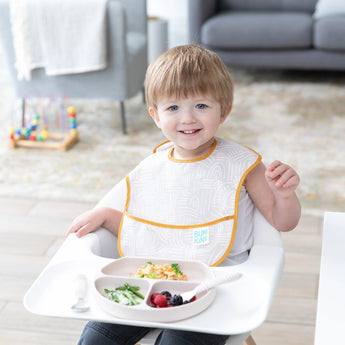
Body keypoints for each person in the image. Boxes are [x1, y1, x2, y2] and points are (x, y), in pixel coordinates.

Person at [67, 44, 301, 345]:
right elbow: (149, 226)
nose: (188, 119)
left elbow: (282, 222)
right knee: (95, 340)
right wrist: (104, 216)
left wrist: (285, 196)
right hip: (150, 279)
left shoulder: (244, 166)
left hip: (218, 286)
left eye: (201, 106)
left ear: (225, 109)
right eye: (173, 108)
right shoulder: (153, 165)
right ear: (155, 115)